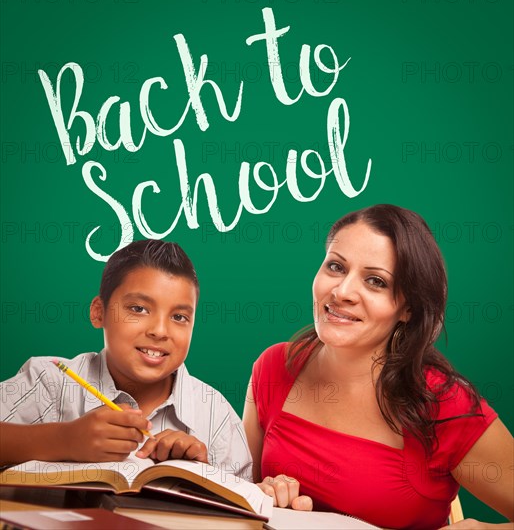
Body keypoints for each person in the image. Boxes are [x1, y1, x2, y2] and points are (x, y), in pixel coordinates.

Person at [243, 205, 513, 529]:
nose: (342, 292)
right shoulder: (274, 367)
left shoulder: (443, 403)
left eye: (375, 281)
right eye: (336, 266)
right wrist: (261, 494)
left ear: (407, 309)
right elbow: (240, 498)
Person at [0, 239, 251, 478]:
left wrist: (203, 476)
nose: (160, 331)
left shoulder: (216, 415)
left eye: (179, 317)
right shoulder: (50, 382)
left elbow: (250, 507)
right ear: (99, 313)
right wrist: (63, 440)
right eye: (138, 309)